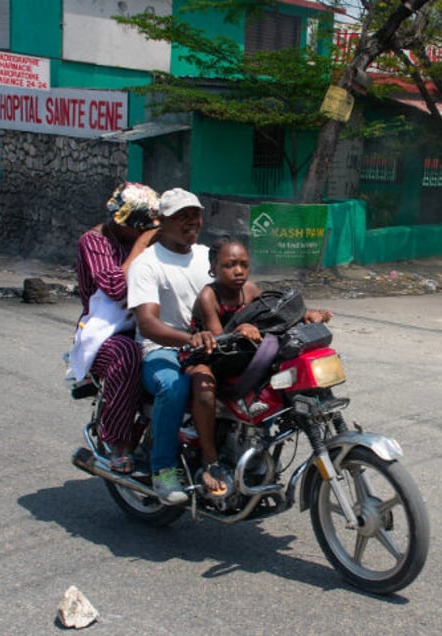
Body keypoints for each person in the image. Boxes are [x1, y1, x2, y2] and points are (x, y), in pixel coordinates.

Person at [185, 236, 332, 495]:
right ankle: (211, 460)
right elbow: (218, 339)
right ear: (213, 268)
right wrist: (240, 328)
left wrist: (305, 315)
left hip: (243, 357)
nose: (239, 271)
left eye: (244, 264)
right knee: (204, 386)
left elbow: (275, 314)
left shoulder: (250, 290)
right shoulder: (209, 296)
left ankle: (259, 445)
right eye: (230, 265)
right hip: (208, 356)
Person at [127, 188, 216, 505]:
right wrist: (188, 339)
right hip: (161, 347)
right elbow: (148, 323)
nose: (192, 221)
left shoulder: (207, 256)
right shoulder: (147, 264)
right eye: (182, 216)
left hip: (209, 343)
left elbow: (240, 289)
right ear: (161, 222)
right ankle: (163, 468)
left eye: (195, 214)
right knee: (173, 386)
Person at [74, 182, 160, 474]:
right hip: (104, 332)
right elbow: (115, 286)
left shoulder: (149, 239)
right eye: (140, 228)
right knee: (127, 354)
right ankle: (118, 442)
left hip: (147, 322)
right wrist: (141, 246)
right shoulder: (95, 241)